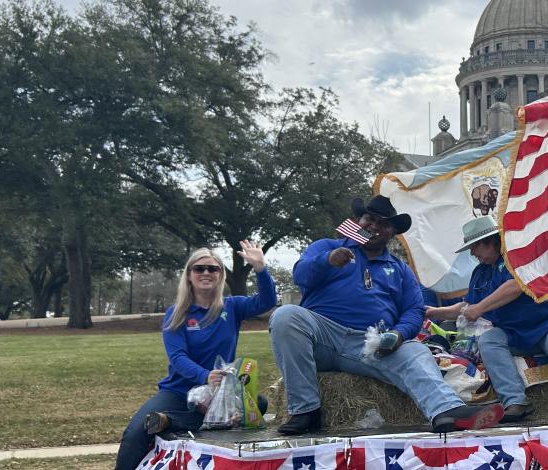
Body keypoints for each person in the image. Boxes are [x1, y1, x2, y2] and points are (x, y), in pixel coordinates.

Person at [270, 195, 502, 435]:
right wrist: (327, 261)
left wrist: (399, 334)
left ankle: (446, 411)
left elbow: (414, 310)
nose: (374, 226)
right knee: (286, 316)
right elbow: (300, 275)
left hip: (373, 344)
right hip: (323, 337)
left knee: (416, 350)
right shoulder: (327, 247)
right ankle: (305, 411)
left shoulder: (400, 269)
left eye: (383, 223)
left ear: (392, 233)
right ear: (358, 221)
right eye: (369, 219)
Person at [115, 242, 276, 470]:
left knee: (258, 404)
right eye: (199, 269)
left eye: (213, 268)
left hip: (221, 392)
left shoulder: (232, 307)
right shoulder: (177, 312)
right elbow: (178, 357)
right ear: (189, 275)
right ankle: (175, 419)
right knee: (137, 431)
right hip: (178, 391)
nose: (206, 273)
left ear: (220, 275)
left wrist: (260, 268)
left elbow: (267, 302)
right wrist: (205, 376)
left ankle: (171, 421)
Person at [427, 216, 548, 423]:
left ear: (490, 242)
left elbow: (515, 286)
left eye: (474, 247)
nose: (472, 253)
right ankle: (515, 402)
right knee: (489, 340)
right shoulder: (480, 273)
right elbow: (467, 307)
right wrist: (434, 312)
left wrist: (480, 308)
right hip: (514, 333)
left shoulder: (518, 258)